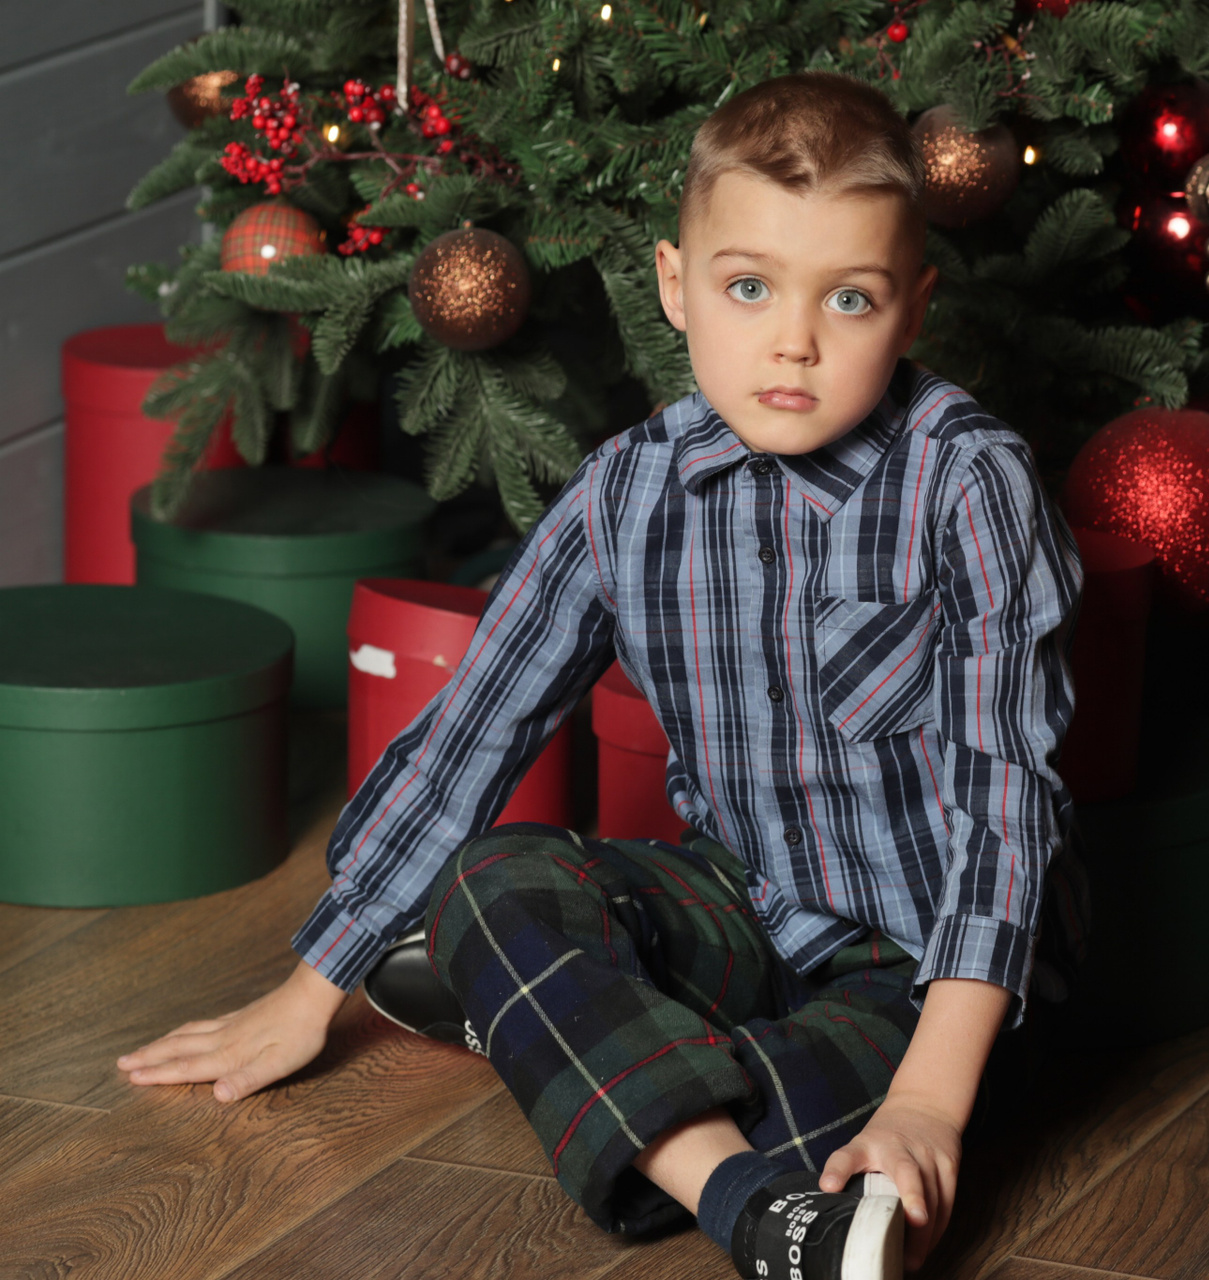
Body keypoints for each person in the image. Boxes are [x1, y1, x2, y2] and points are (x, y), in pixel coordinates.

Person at [117, 71, 1082, 1280]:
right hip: (743, 900)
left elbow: (1003, 805)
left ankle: (581, 1047)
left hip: (929, 966)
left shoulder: (968, 482)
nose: (793, 340)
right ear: (676, 286)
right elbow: (472, 733)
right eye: (748, 287)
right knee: (484, 883)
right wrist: (310, 990)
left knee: (836, 1118)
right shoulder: (626, 489)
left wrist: (932, 1101)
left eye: (849, 298)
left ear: (914, 310)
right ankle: (742, 1196)